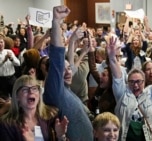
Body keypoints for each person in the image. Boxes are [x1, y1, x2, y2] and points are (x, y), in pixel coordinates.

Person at [43, 5, 93, 140]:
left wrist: (79, 49)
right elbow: (58, 57)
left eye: (69, 68)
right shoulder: (55, 91)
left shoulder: (66, 89)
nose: (68, 72)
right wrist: (56, 22)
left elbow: (71, 67)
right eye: (62, 70)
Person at [0, 75, 69, 141]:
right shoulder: (7, 125)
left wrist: (61, 136)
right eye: (25, 89)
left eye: (34, 88)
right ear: (17, 96)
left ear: (39, 94)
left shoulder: (51, 115)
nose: (31, 92)